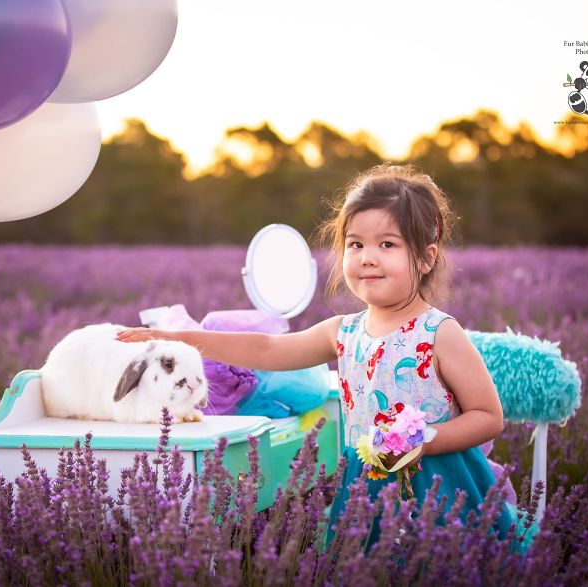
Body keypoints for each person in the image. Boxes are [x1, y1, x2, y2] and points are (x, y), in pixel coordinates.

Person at [117, 162, 527, 550]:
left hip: (438, 486)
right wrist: (177, 338)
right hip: (367, 489)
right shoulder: (343, 332)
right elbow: (266, 348)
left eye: (387, 244)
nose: (367, 256)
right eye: (355, 244)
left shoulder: (440, 333)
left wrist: (423, 442)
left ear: (425, 257)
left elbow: (487, 416)